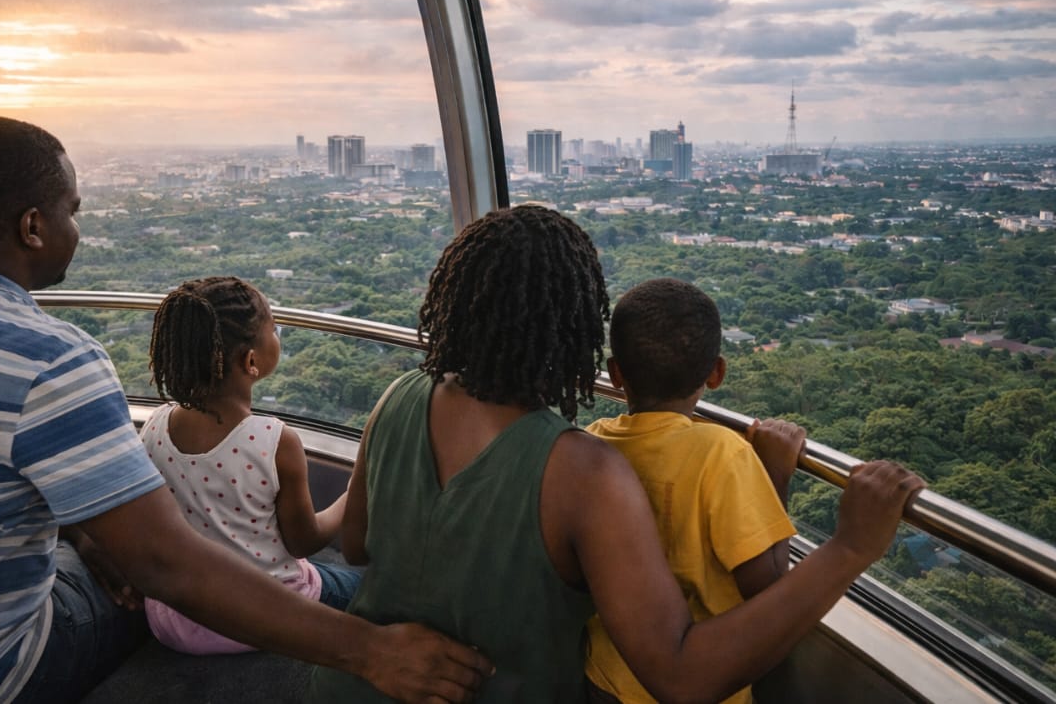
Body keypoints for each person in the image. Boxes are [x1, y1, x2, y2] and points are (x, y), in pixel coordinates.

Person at [0, 116, 490, 704]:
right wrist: (372, 651)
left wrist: (90, 535)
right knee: (129, 596)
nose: (77, 228)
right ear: (32, 227)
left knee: (98, 557)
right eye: (72, 212)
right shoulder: (47, 358)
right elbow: (166, 563)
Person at [307, 204, 924, 703]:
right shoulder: (581, 470)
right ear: (574, 327)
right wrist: (850, 548)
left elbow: (359, 545)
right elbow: (681, 676)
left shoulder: (398, 396)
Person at [584, 277, 806, 703]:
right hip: (699, 686)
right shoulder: (722, 452)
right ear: (717, 372)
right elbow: (770, 589)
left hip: (605, 677)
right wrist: (774, 474)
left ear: (615, 375)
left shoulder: (593, 442)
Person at [139, 276, 362, 653]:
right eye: (274, 328)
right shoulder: (275, 441)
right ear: (251, 360)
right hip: (267, 615)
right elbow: (304, 541)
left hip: (178, 619)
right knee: (365, 588)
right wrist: (353, 493)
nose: (278, 333)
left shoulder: (154, 427)